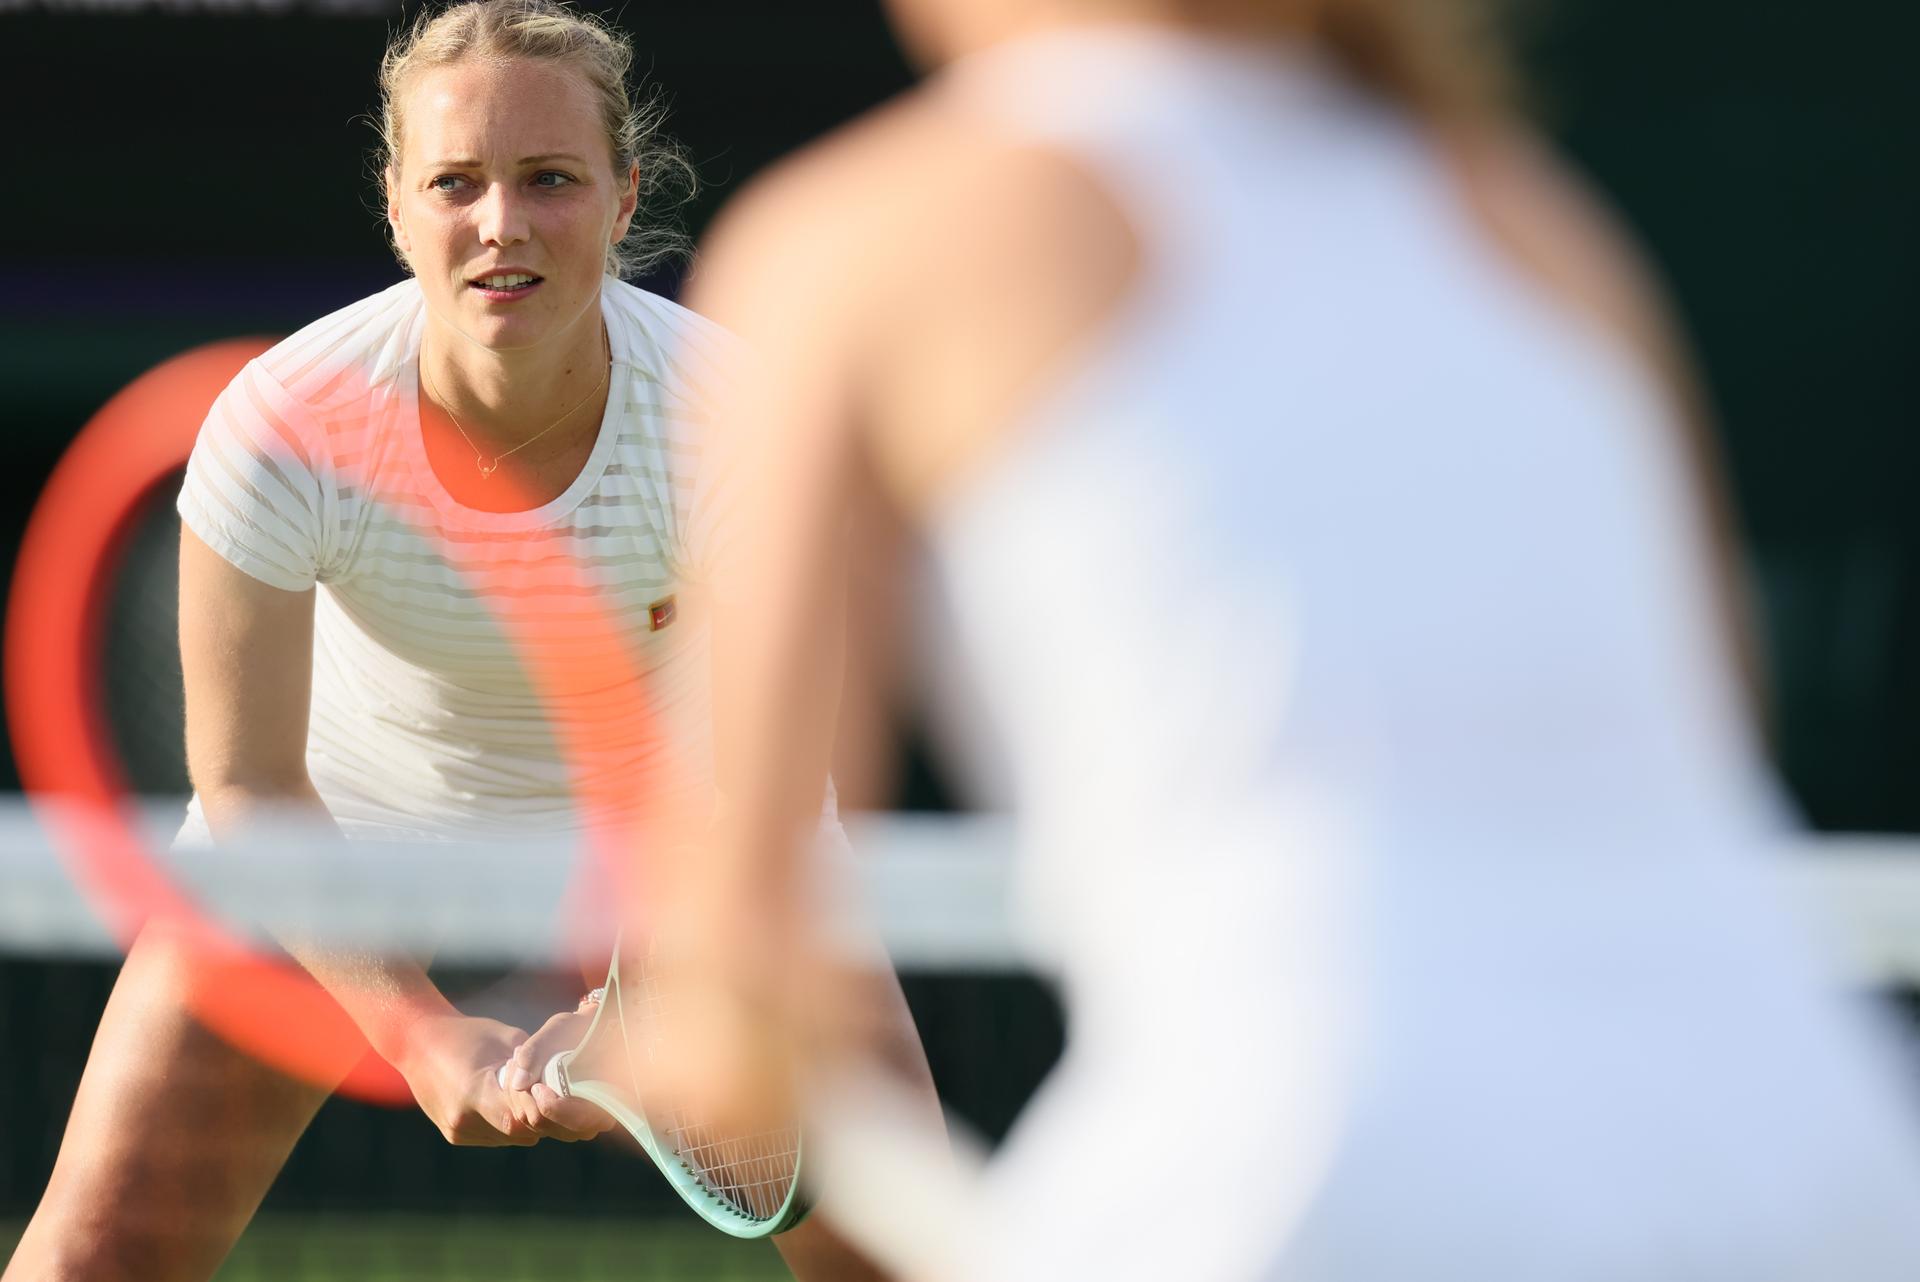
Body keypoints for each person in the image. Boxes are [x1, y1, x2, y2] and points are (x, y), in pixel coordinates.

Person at [668, 1, 1920, 1279]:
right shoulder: (1543, 223)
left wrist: (705, 1022)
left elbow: (749, 952)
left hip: (1315, 1174)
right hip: (1821, 1149)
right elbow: (1720, 733)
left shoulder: (848, 244)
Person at [3, 3, 923, 1280]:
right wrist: (418, 1033)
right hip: (338, 834)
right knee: (87, 1260)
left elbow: (773, 785)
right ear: (396, 206)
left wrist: (668, 993)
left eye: (550, 178)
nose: (502, 223)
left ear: (623, 196)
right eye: (455, 182)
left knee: (905, 1259)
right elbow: (251, 786)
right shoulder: (286, 424)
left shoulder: (735, 421)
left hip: (699, 839)